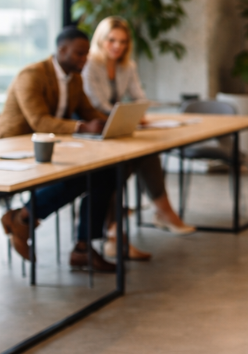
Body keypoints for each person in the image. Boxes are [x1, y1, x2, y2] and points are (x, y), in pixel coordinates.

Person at [0, 26, 118, 272]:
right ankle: (24, 217)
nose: (84, 59)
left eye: (86, 54)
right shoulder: (31, 75)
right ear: (62, 50)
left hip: (49, 148)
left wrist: (114, 122)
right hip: (10, 147)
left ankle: (81, 248)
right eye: (79, 54)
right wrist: (82, 126)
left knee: (103, 173)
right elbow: (40, 122)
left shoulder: (75, 78)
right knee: (81, 174)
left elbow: (90, 113)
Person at [82, 16, 195, 255]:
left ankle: (151, 217)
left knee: (146, 153)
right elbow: (97, 103)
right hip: (94, 130)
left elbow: (139, 96)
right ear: (101, 40)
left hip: (118, 127)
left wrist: (137, 112)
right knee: (115, 169)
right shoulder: (89, 65)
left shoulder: (127, 66)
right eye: (111, 40)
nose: (117, 46)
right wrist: (126, 114)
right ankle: (119, 232)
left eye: (122, 41)